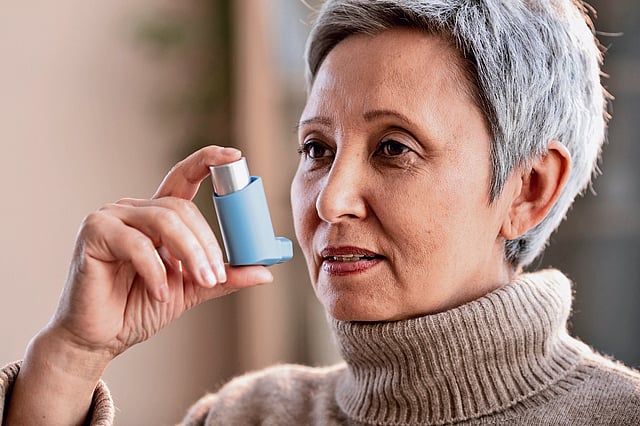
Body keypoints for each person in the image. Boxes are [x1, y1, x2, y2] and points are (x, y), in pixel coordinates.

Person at [2, 0, 639, 424]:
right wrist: (70, 359)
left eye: (394, 148)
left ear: (529, 189)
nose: (329, 201)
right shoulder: (243, 417)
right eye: (316, 149)